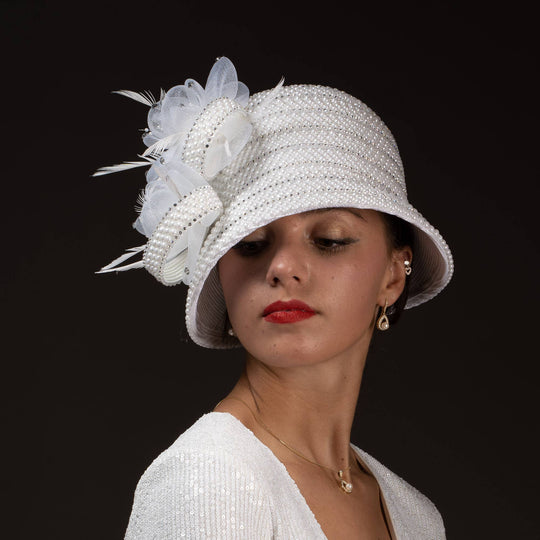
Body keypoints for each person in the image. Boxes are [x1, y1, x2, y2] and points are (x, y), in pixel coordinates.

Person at [96, 57, 453, 539]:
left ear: (394, 275)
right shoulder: (208, 479)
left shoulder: (417, 518)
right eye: (251, 245)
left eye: (329, 238)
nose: (282, 267)